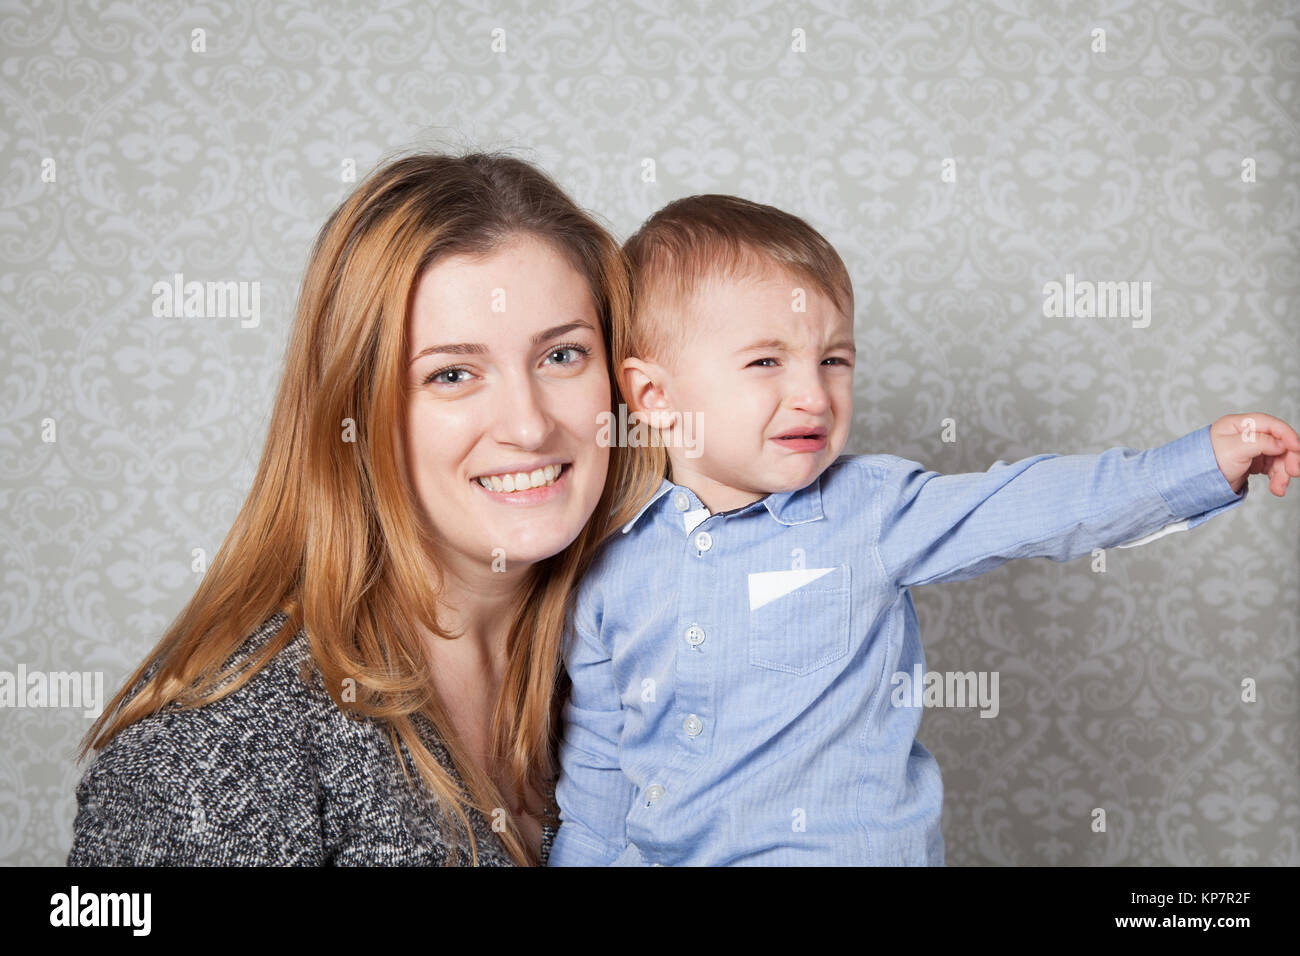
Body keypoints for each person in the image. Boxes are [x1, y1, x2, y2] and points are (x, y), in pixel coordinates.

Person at [547, 193, 1300, 866]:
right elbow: (600, 779)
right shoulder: (611, 569)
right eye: (767, 361)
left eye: (834, 359)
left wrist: (1196, 465)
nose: (813, 394)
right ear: (653, 395)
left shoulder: (874, 510)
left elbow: (1029, 505)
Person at [67, 151, 663, 866]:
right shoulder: (212, 761)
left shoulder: (656, 657)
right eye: (451, 374)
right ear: (353, 411)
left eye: (562, 356)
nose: (530, 425)